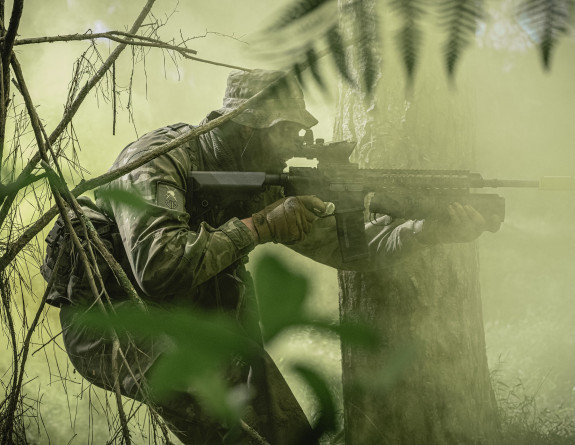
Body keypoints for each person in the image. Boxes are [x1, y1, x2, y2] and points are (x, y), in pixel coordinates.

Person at [43, 69, 500, 444]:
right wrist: (260, 226)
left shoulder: (260, 177)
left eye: (297, 134)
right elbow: (159, 268)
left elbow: (348, 248)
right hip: (110, 317)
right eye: (281, 134)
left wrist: (427, 230)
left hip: (182, 319)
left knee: (281, 426)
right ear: (243, 127)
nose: (291, 148)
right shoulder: (161, 159)